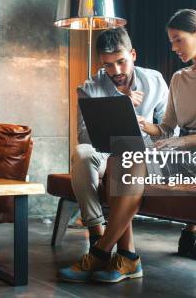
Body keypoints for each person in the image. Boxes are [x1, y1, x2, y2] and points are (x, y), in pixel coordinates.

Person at [58, 9, 196, 284]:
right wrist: (141, 123)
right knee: (122, 160)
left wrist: (181, 141)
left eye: (178, 40)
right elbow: (166, 129)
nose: (173, 47)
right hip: (179, 152)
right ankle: (128, 258)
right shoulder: (180, 77)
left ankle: (101, 252)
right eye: (171, 41)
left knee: (130, 161)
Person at [70, 26, 168, 248]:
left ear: (133, 55)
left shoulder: (155, 81)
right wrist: (118, 105)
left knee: (125, 159)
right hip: (104, 152)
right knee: (81, 154)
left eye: (121, 61)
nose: (115, 71)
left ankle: (113, 251)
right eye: (108, 64)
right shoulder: (89, 88)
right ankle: (96, 232)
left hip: (143, 153)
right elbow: (84, 137)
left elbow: (169, 129)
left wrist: (139, 125)